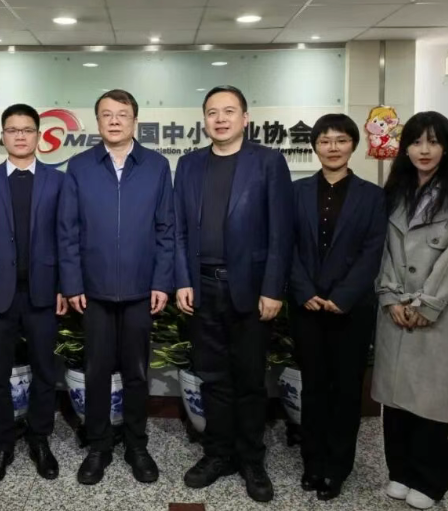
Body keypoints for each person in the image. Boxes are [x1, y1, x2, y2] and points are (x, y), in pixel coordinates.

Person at [174, 85, 293, 503]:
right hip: (202, 287)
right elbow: (180, 230)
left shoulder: (268, 162)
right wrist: (183, 280)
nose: (220, 119)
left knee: (250, 380)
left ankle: (252, 460)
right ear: (204, 120)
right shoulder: (189, 165)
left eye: (229, 111)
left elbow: (281, 232)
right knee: (212, 379)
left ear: (245, 118)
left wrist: (272, 288)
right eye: (212, 112)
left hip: (251, 289)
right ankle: (218, 454)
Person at [58, 89, 174, 486]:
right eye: (106, 114)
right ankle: (98, 446)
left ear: (134, 121)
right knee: (96, 372)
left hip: (141, 290)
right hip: (94, 292)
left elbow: (166, 229)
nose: (114, 120)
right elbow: (68, 231)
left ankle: (137, 445)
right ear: (97, 122)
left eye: (122, 114)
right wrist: (72, 282)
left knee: (137, 373)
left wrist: (162, 281)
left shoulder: (156, 166)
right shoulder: (80, 166)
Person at [373, 111, 448, 510]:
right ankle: (401, 471)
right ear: (404, 149)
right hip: (396, 311)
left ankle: (431, 480)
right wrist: (390, 298)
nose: (424, 150)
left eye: (433, 142)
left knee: (436, 401)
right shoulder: (395, 193)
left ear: (446, 148)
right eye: (416, 142)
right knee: (397, 397)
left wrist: (428, 303)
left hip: (444, 313)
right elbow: (384, 250)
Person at [0, 104, 67, 486]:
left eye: (27, 130)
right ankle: (3, 442)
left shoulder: (58, 182)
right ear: (3, 136)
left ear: (39, 136)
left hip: (43, 292)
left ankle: (40, 439)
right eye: (12, 130)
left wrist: (64, 286)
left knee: (44, 371)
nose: (20, 136)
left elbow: (65, 239)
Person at [289, 114, 387, 501]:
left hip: (352, 308)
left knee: (346, 391)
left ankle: (338, 466)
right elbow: (287, 246)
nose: (333, 147)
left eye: (341, 140)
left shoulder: (373, 196)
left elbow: (373, 250)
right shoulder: (296, 192)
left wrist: (343, 296)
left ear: (353, 145)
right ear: (314, 146)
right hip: (307, 306)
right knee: (313, 387)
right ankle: (312, 462)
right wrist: (303, 290)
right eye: (325, 141)